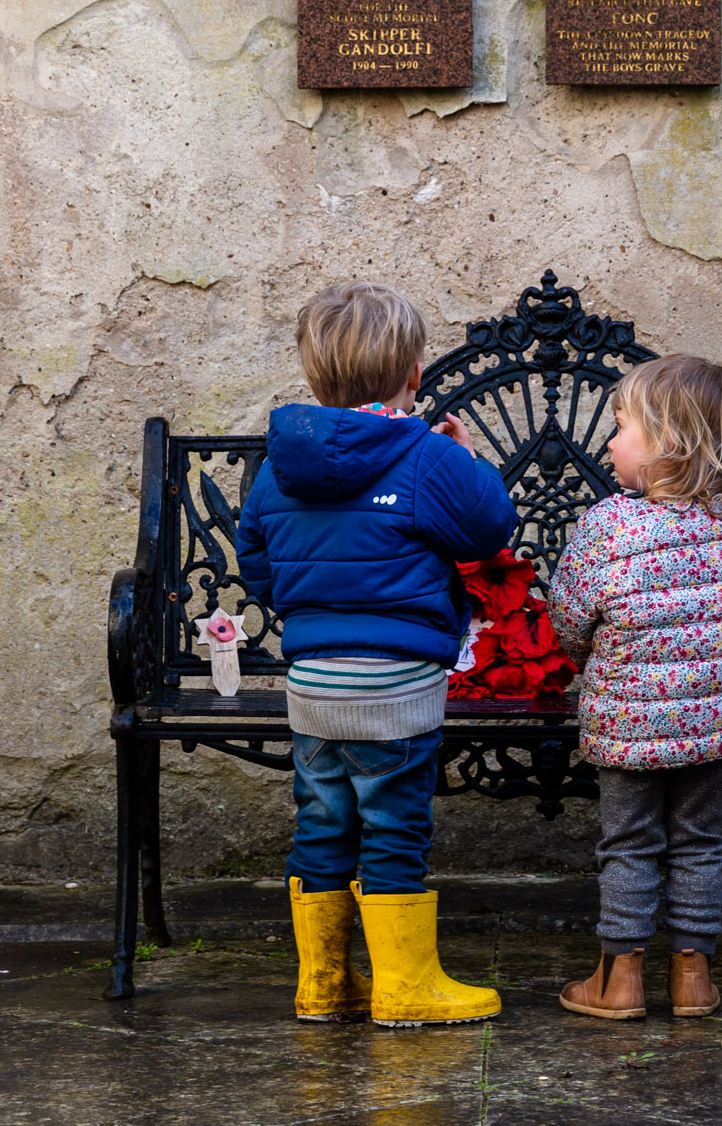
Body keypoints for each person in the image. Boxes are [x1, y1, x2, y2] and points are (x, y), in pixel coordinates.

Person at [234, 281, 519, 1027]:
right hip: (397, 688)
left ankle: (323, 985)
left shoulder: (279, 466)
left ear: (314, 374)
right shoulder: (424, 455)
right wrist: (464, 458)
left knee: (322, 821)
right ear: (415, 375)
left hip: (313, 688)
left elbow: (256, 561)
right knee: (393, 827)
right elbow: (490, 528)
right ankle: (403, 986)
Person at [547, 354, 722, 1020]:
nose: (608, 441)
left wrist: (596, 656)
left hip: (627, 725)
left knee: (628, 842)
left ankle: (619, 979)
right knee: (700, 840)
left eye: (621, 427)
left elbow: (569, 617)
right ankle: (692, 979)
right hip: (715, 723)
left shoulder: (608, 525)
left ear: (667, 442)